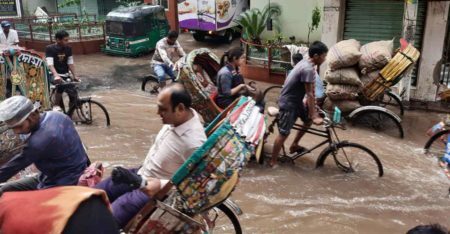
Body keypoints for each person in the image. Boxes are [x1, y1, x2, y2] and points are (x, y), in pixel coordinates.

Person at [95, 83, 207, 228]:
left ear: (180, 109)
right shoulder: (179, 118)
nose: (157, 112)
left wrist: (160, 184)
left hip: (151, 193)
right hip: (140, 174)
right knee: (92, 195)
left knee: (104, 223)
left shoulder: (194, 143)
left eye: (163, 109)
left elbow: (195, 187)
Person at [0, 96, 88, 193]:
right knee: (5, 188)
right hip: (58, 173)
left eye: (19, 126)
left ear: (33, 115)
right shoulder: (58, 115)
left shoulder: (38, 142)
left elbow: (12, 167)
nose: (16, 132)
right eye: (12, 128)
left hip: (63, 182)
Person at [270, 41, 329, 167]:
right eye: (324, 56)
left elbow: (311, 91)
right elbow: (309, 94)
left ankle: (294, 144)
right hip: (289, 103)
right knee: (284, 133)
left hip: (297, 101)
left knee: (307, 121)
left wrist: (314, 110)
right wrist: (314, 115)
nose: (325, 59)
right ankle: (272, 161)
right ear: (317, 56)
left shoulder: (308, 63)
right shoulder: (307, 68)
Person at [45, 30, 78, 111]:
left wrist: (75, 76)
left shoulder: (68, 49)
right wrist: (56, 75)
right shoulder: (49, 48)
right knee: (61, 85)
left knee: (73, 93)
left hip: (65, 74)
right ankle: (56, 104)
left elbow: (70, 63)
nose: (67, 42)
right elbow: (50, 64)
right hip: (52, 74)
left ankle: (70, 112)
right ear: (58, 40)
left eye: (68, 40)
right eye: (65, 40)